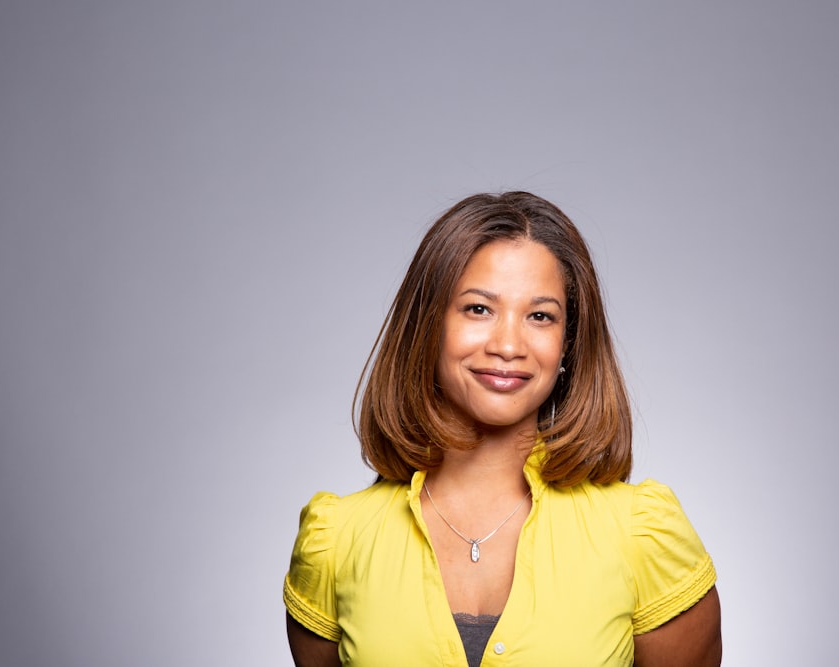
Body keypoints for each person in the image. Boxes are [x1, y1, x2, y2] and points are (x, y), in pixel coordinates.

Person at [283, 192, 721, 666]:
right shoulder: (337, 542)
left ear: (567, 345)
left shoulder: (643, 536)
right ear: (427, 326)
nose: (508, 345)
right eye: (478, 309)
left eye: (540, 316)